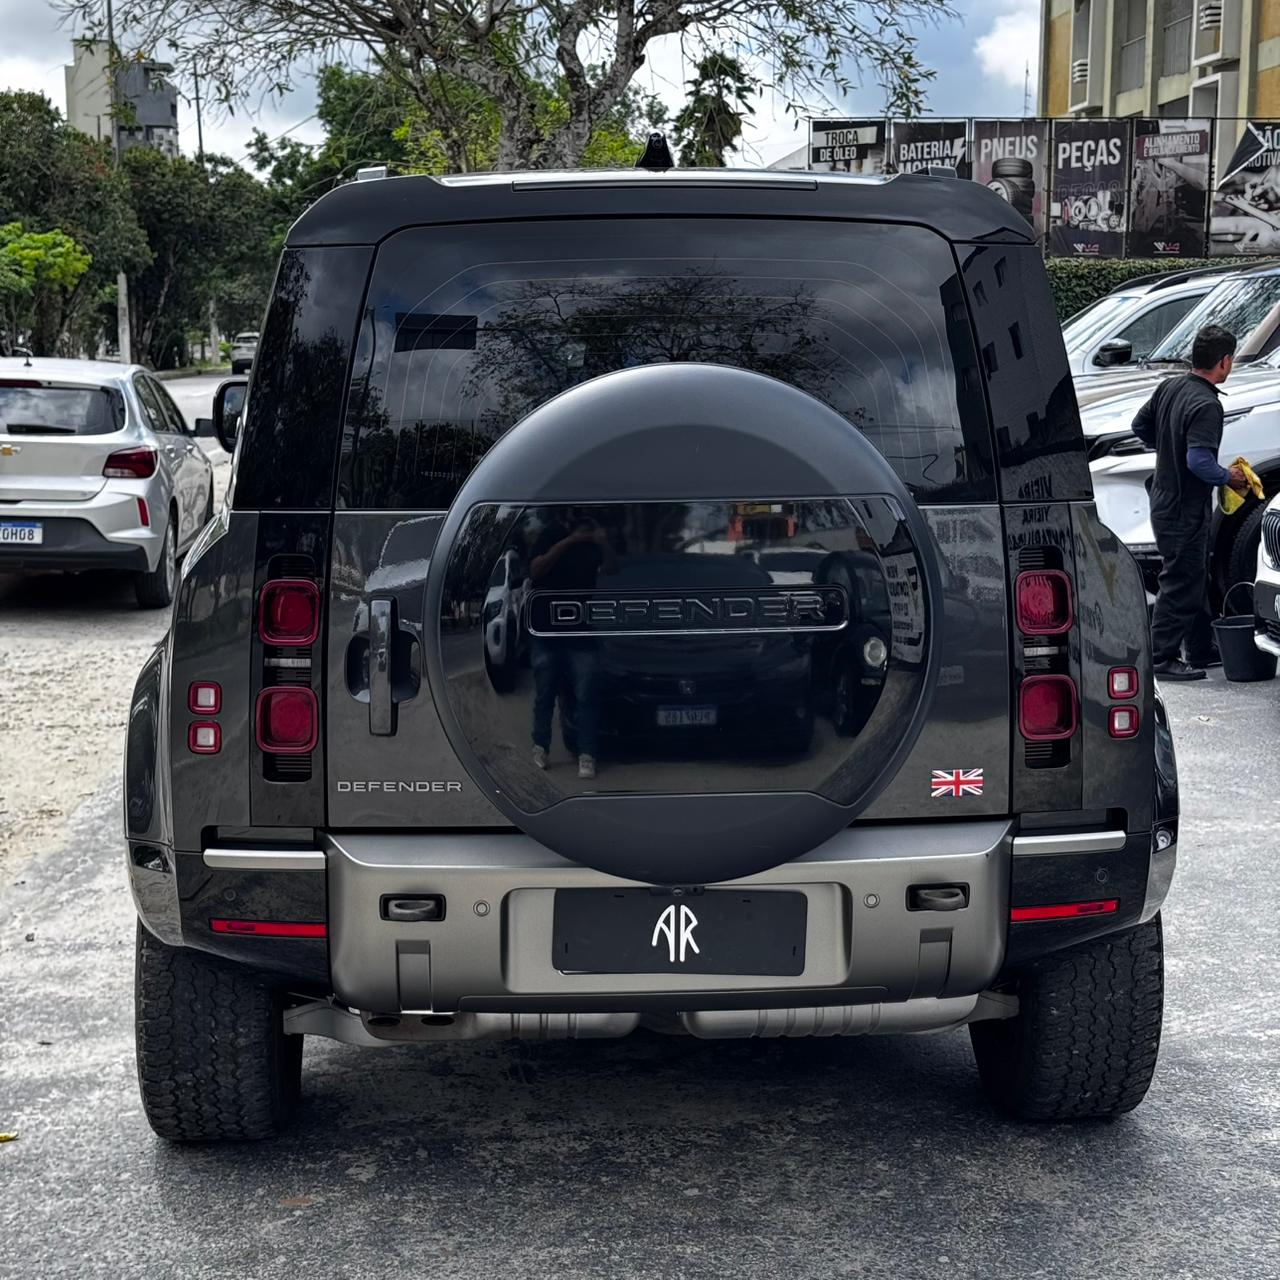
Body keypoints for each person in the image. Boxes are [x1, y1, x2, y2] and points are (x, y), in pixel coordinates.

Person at [1131, 324, 1249, 681]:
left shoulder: (1170, 387)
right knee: (1181, 581)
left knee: (1194, 573)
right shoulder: (1207, 405)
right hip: (1184, 507)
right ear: (1224, 361)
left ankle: (1201, 647)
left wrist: (1168, 445)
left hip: (1163, 497)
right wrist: (1229, 477)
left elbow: (1140, 426)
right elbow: (1198, 462)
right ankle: (1160, 657)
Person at [528, 515, 618, 779]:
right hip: (546, 628)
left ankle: (587, 754)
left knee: (587, 694)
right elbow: (535, 569)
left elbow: (612, 568)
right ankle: (540, 747)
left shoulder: (594, 541)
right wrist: (569, 541)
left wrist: (602, 543)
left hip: (580, 630)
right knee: (545, 694)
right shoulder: (550, 533)